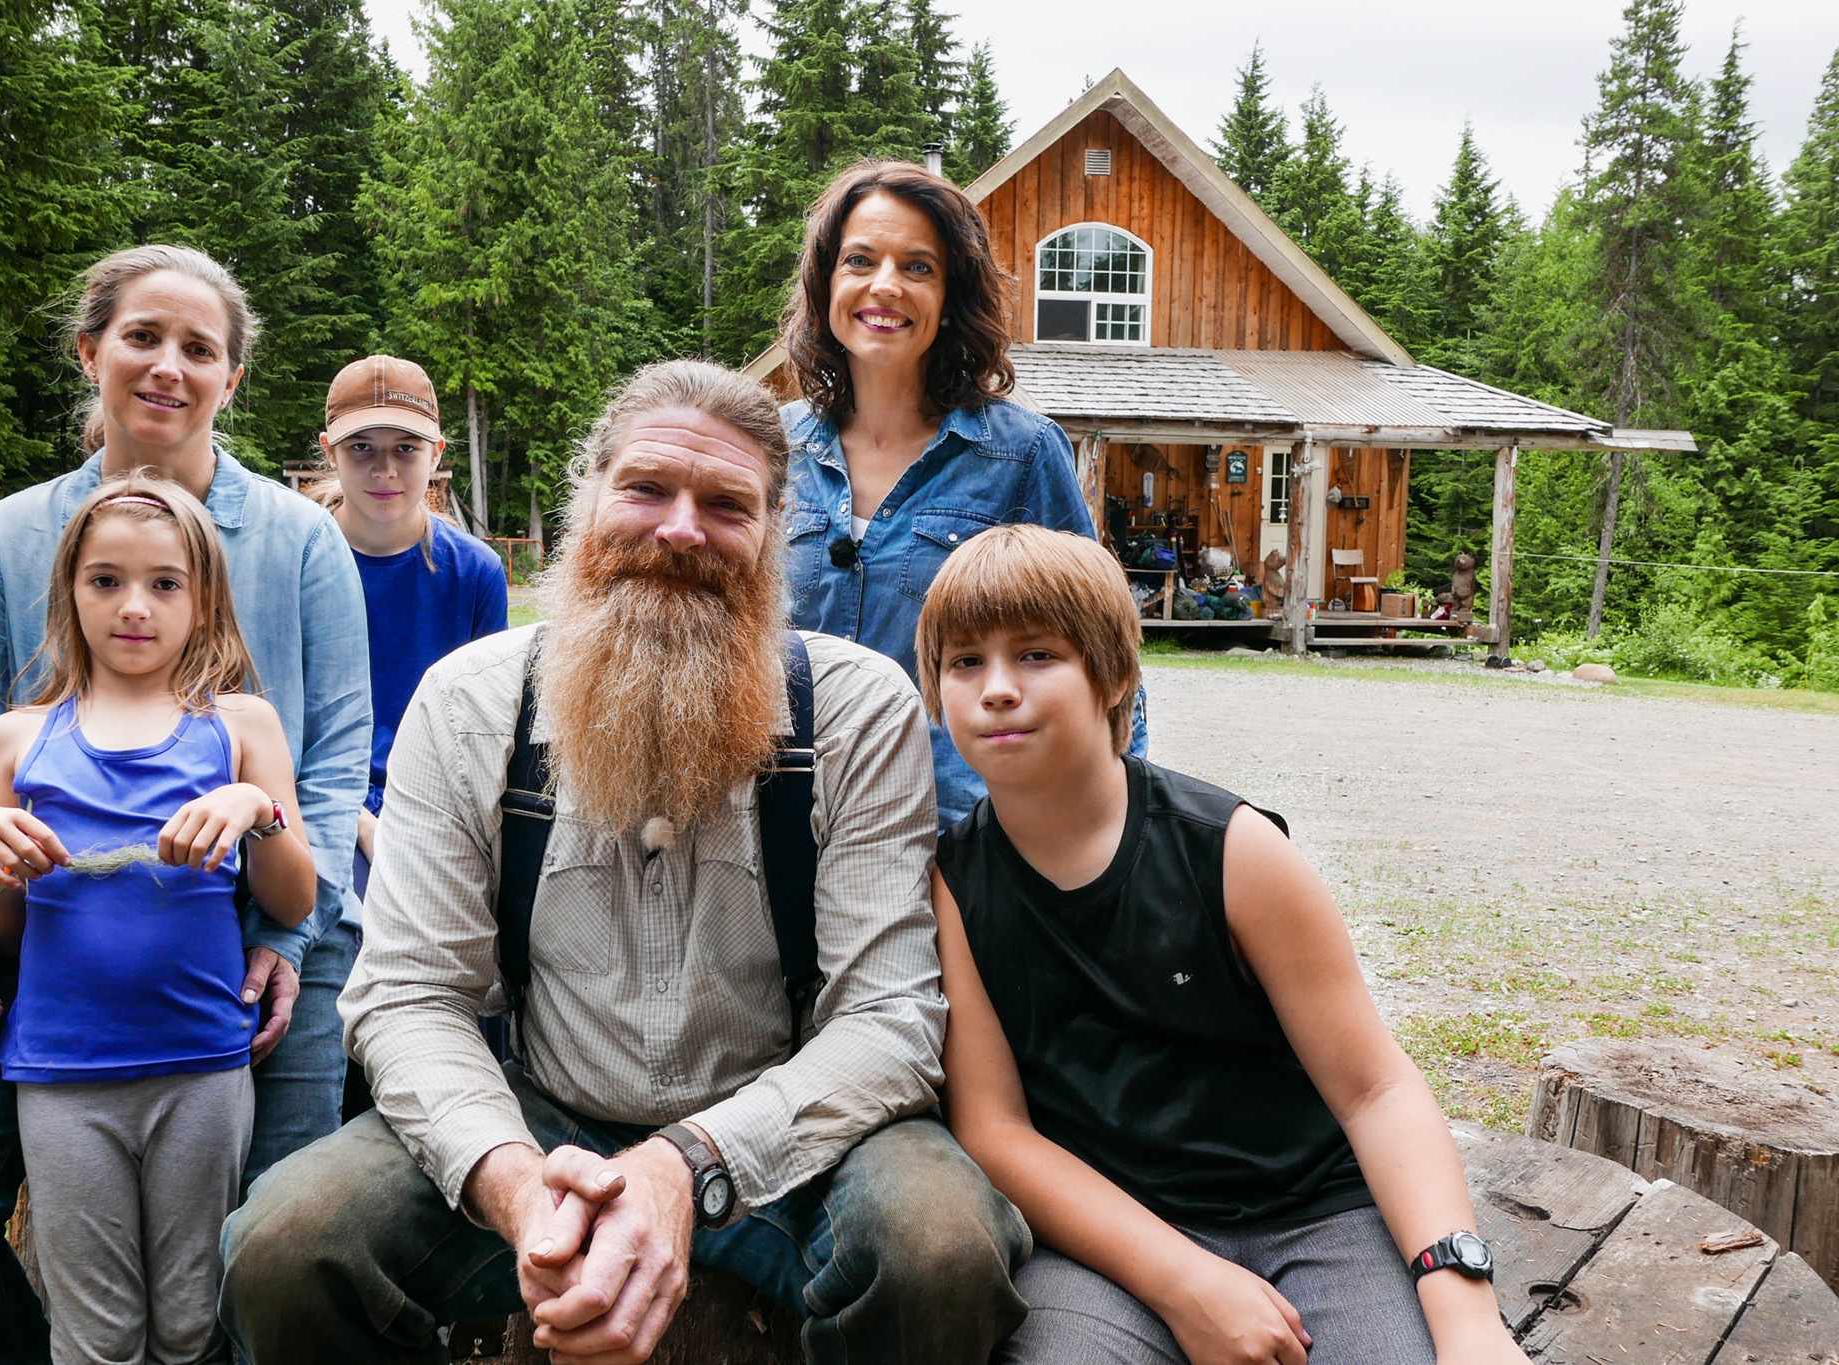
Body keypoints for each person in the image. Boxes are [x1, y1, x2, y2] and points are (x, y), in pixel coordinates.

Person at [220, 360, 1029, 1365]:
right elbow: (410, 996)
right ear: (586, 499)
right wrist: (516, 1187)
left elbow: (889, 1022)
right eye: (645, 489)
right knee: (284, 1246)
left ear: (775, 531)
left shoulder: (855, 709)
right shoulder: (470, 702)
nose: (680, 529)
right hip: (538, 1117)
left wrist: (686, 1166)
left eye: (726, 504)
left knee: (941, 1250)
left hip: (791, 1137)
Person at [0, 243, 370, 1365]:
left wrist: (283, 938)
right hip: (46, 967)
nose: (169, 367)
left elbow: (326, 773)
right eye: (142, 337)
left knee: (276, 1251)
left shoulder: (305, 544)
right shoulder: (10, 541)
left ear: (231, 379)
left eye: (199, 349)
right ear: (90, 352)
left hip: (251, 958)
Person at [917, 525, 1532, 1365]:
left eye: (1035, 655)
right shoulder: (954, 882)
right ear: (935, 688)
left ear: (1115, 674)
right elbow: (996, 1130)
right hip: (1112, 1239)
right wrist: (1185, 1280)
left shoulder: (1232, 849)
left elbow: (1375, 1089)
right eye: (965, 662)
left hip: (1313, 1213)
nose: (996, 689)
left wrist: (1468, 1319)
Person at [0, 475, 318, 1364]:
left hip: (201, 1067)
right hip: (62, 1075)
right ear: (68, 593)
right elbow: (4, 931)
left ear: (205, 600)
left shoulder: (238, 726)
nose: (134, 606)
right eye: (105, 580)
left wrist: (254, 807)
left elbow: (294, 899)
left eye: (165, 583)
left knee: (196, 1317)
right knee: (96, 1332)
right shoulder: (15, 738)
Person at [777, 158, 1141, 828]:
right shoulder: (773, 450)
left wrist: (1132, 822)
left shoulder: (1020, 452)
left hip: (951, 829)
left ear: (949, 299)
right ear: (827, 280)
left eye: (918, 267)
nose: (885, 286)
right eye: (860, 259)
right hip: (785, 818)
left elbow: (1103, 644)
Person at [310, 353, 509, 903]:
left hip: (437, 803)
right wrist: (361, 823)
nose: (385, 470)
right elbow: (276, 723)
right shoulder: (299, 563)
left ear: (437, 454)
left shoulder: (474, 572)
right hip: (318, 800)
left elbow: (486, 730)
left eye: (405, 449)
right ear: (329, 451)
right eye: (361, 449)